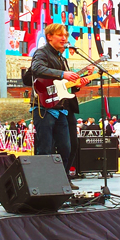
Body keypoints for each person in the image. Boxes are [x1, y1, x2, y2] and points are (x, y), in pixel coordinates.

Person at [31, 24, 89, 190]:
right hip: (44, 106)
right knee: (45, 148)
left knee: (66, 147)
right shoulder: (42, 52)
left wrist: (79, 83)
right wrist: (63, 74)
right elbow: (36, 68)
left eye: (65, 36)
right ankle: (43, 184)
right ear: (49, 37)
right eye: (60, 35)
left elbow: (65, 86)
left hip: (61, 106)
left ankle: (61, 180)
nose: (64, 39)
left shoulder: (62, 58)